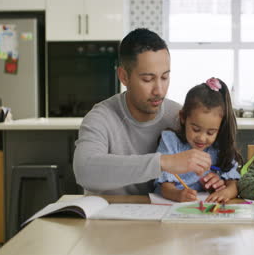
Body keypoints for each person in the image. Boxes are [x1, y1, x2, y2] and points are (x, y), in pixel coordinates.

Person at [73, 28, 224, 195]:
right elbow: (84, 170)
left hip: (162, 216)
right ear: (124, 76)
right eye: (148, 79)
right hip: (109, 215)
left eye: (165, 77)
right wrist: (163, 162)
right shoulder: (101, 118)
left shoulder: (178, 116)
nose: (159, 90)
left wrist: (212, 179)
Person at [154, 78, 243, 203]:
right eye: (196, 129)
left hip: (203, 209)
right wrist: (178, 195)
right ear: (183, 117)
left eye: (211, 132)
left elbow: (234, 184)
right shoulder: (170, 141)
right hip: (169, 205)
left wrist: (224, 192)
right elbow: (165, 187)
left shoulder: (219, 147)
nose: (202, 138)